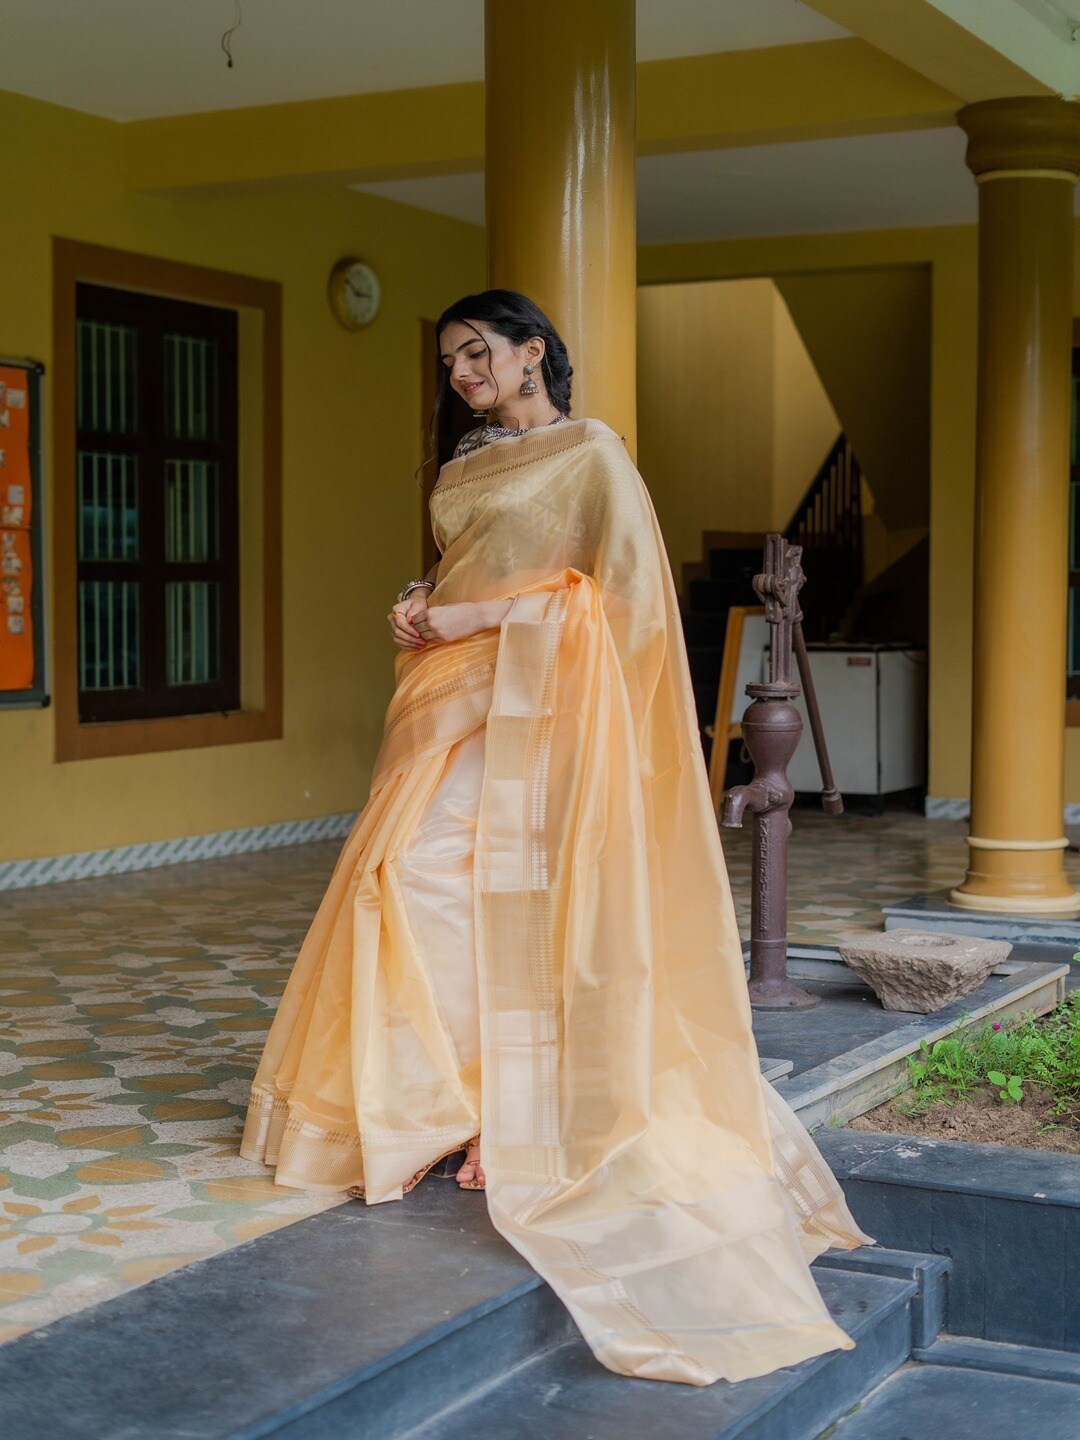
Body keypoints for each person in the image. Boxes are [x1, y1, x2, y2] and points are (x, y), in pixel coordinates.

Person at [239, 288, 873, 1387]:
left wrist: (474, 619)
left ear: (534, 352)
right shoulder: (463, 469)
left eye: (477, 353)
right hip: (453, 707)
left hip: (552, 715)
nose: (460, 373)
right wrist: (419, 600)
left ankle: (513, 1112)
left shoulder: (592, 458)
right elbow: (471, 577)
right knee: (415, 877)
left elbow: (620, 606)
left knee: (525, 900)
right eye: (447, 360)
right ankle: (446, 1099)